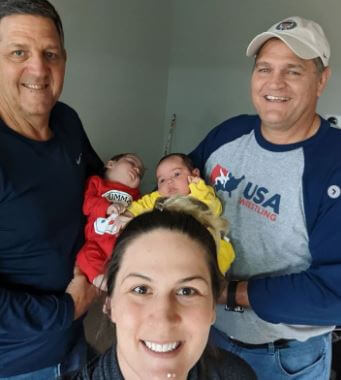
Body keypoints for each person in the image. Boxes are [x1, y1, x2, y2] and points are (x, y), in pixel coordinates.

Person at [189, 16, 340, 380]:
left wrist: (229, 292)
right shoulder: (228, 134)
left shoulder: (332, 164)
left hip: (284, 360)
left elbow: (334, 293)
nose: (275, 83)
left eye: (293, 71)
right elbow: (181, 195)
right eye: (264, 68)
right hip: (206, 338)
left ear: (322, 79)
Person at [0, 0, 103, 378]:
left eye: (50, 54)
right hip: (18, 366)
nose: (38, 68)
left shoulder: (67, 121)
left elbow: (98, 188)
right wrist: (68, 308)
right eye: (18, 53)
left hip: (74, 345)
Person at [72, 197, 256, 380]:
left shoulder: (237, 375)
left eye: (187, 291)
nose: (163, 319)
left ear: (211, 308)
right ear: (111, 305)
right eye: (141, 289)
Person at [124, 153, 235, 275]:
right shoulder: (159, 197)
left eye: (176, 174)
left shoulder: (201, 193)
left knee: (223, 252)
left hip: (203, 241)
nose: (169, 182)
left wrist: (197, 185)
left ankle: (211, 279)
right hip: (172, 245)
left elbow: (212, 208)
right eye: (162, 180)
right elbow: (142, 205)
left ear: (195, 174)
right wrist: (128, 214)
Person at [76, 153, 144, 288]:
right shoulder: (97, 182)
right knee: (84, 256)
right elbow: (87, 204)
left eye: (140, 173)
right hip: (97, 242)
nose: (137, 169)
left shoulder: (136, 195)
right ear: (111, 164)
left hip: (124, 243)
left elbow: (141, 212)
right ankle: (102, 280)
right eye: (131, 162)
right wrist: (106, 207)